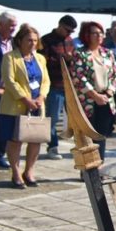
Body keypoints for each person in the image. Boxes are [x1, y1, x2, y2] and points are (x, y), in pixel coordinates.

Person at [0, 24, 50, 187]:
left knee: (36, 139)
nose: (33, 43)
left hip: (37, 106)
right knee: (15, 141)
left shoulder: (40, 58)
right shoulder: (10, 57)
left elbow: (45, 81)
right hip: (16, 106)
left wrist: (41, 96)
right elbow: (9, 80)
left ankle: (29, 171)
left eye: (35, 40)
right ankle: (15, 172)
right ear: (20, 40)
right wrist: (25, 99)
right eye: (29, 40)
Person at [71, 22, 116, 160]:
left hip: (106, 99)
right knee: (87, 137)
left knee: (101, 136)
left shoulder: (108, 53)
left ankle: (100, 165)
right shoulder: (80, 54)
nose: (99, 36)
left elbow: (115, 74)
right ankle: (87, 170)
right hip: (88, 101)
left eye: (101, 33)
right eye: (95, 33)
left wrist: (110, 91)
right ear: (87, 35)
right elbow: (78, 77)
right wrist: (95, 95)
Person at [38, 15, 77, 159]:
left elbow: (74, 61)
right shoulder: (46, 40)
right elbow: (42, 62)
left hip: (70, 86)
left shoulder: (70, 41)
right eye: (67, 30)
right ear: (60, 25)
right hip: (54, 85)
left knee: (75, 117)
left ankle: (77, 147)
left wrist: (71, 59)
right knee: (53, 118)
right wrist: (62, 59)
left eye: (71, 32)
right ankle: (52, 146)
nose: (69, 34)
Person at [0, 11, 18, 169]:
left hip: (8, 91)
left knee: (3, 126)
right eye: (11, 25)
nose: (14, 28)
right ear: (1, 24)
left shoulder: (15, 43)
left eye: (15, 25)